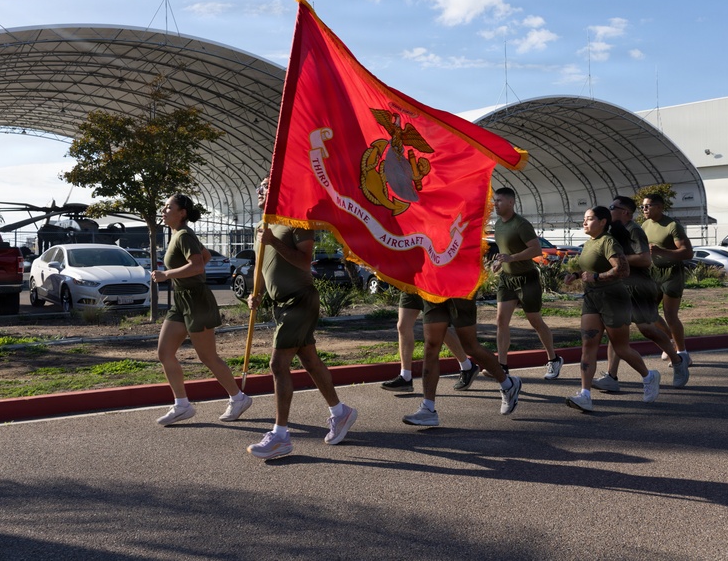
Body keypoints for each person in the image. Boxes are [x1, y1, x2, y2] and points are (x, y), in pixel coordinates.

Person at [246, 178, 357, 459]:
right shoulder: (262, 226)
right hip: (281, 304)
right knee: (308, 359)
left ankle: (281, 435)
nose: (260, 191)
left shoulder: (298, 220)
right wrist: (255, 293)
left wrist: (273, 241)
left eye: (266, 186)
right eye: (259, 187)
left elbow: (305, 261)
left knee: (278, 364)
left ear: (280, 191)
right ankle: (340, 412)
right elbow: (261, 266)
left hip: (300, 300)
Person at [151, 194, 252, 426]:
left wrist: (166, 275)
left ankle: (239, 398)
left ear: (182, 212)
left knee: (207, 357)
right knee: (165, 353)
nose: (164, 210)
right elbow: (205, 256)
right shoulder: (178, 234)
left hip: (197, 300)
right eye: (164, 206)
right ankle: (182, 405)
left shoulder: (184, 234)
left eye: (169, 207)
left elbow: (197, 264)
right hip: (182, 300)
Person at [563, 207, 661, 413]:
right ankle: (585, 395)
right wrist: (576, 273)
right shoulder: (590, 243)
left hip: (614, 299)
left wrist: (597, 277)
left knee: (621, 347)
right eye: (584, 219)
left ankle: (649, 376)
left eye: (589, 219)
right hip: (592, 299)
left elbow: (622, 270)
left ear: (602, 222)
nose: (584, 222)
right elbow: (593, 268)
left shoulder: (608, 241)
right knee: (588, 345)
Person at [594, 197, 690, 392]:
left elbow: (645, 259)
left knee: (647, 329)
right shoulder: (612, 231)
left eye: (613, 207)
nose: (609, 210)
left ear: (625, 213)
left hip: (639, 287)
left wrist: (616, 260)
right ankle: (611, 376)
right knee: (616, 330)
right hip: (619, 287)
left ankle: (678, 360)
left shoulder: (634, 230)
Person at [402, 296, 523, 427]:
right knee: (431, 346)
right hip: (433, 290)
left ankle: (508, 384)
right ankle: (428, 408)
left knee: (470, 346)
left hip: (459, 289)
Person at [490, 187, 563, 379]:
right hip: (507, 279)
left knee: (535, 321)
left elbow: (536, 249)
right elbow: (504, 251)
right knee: (501, 321)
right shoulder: (498, 224)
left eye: (499, 201)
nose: (495, 204)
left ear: (511, 202)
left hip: (527, 279)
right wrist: (499, 262)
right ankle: (502, 366)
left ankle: (553, 359)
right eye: (494, 201)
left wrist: (512, 258)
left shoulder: (521, 224)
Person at [380, 291, 481, 392]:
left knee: (438, 328)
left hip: (426, 285)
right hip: (409, 284)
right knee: (402, 326)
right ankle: (405, 377)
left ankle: (467, 366)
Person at [640, 193, 693, 364]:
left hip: (672, 273)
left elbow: (688, 253)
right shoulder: (645, 225)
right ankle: (671, 339)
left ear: (660, 207)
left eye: (647, 206)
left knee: (670, 315)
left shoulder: (672, 225)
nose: (644, 209)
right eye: (642, 206)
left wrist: (661, 251)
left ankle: (683, 353)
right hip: (652, 273)